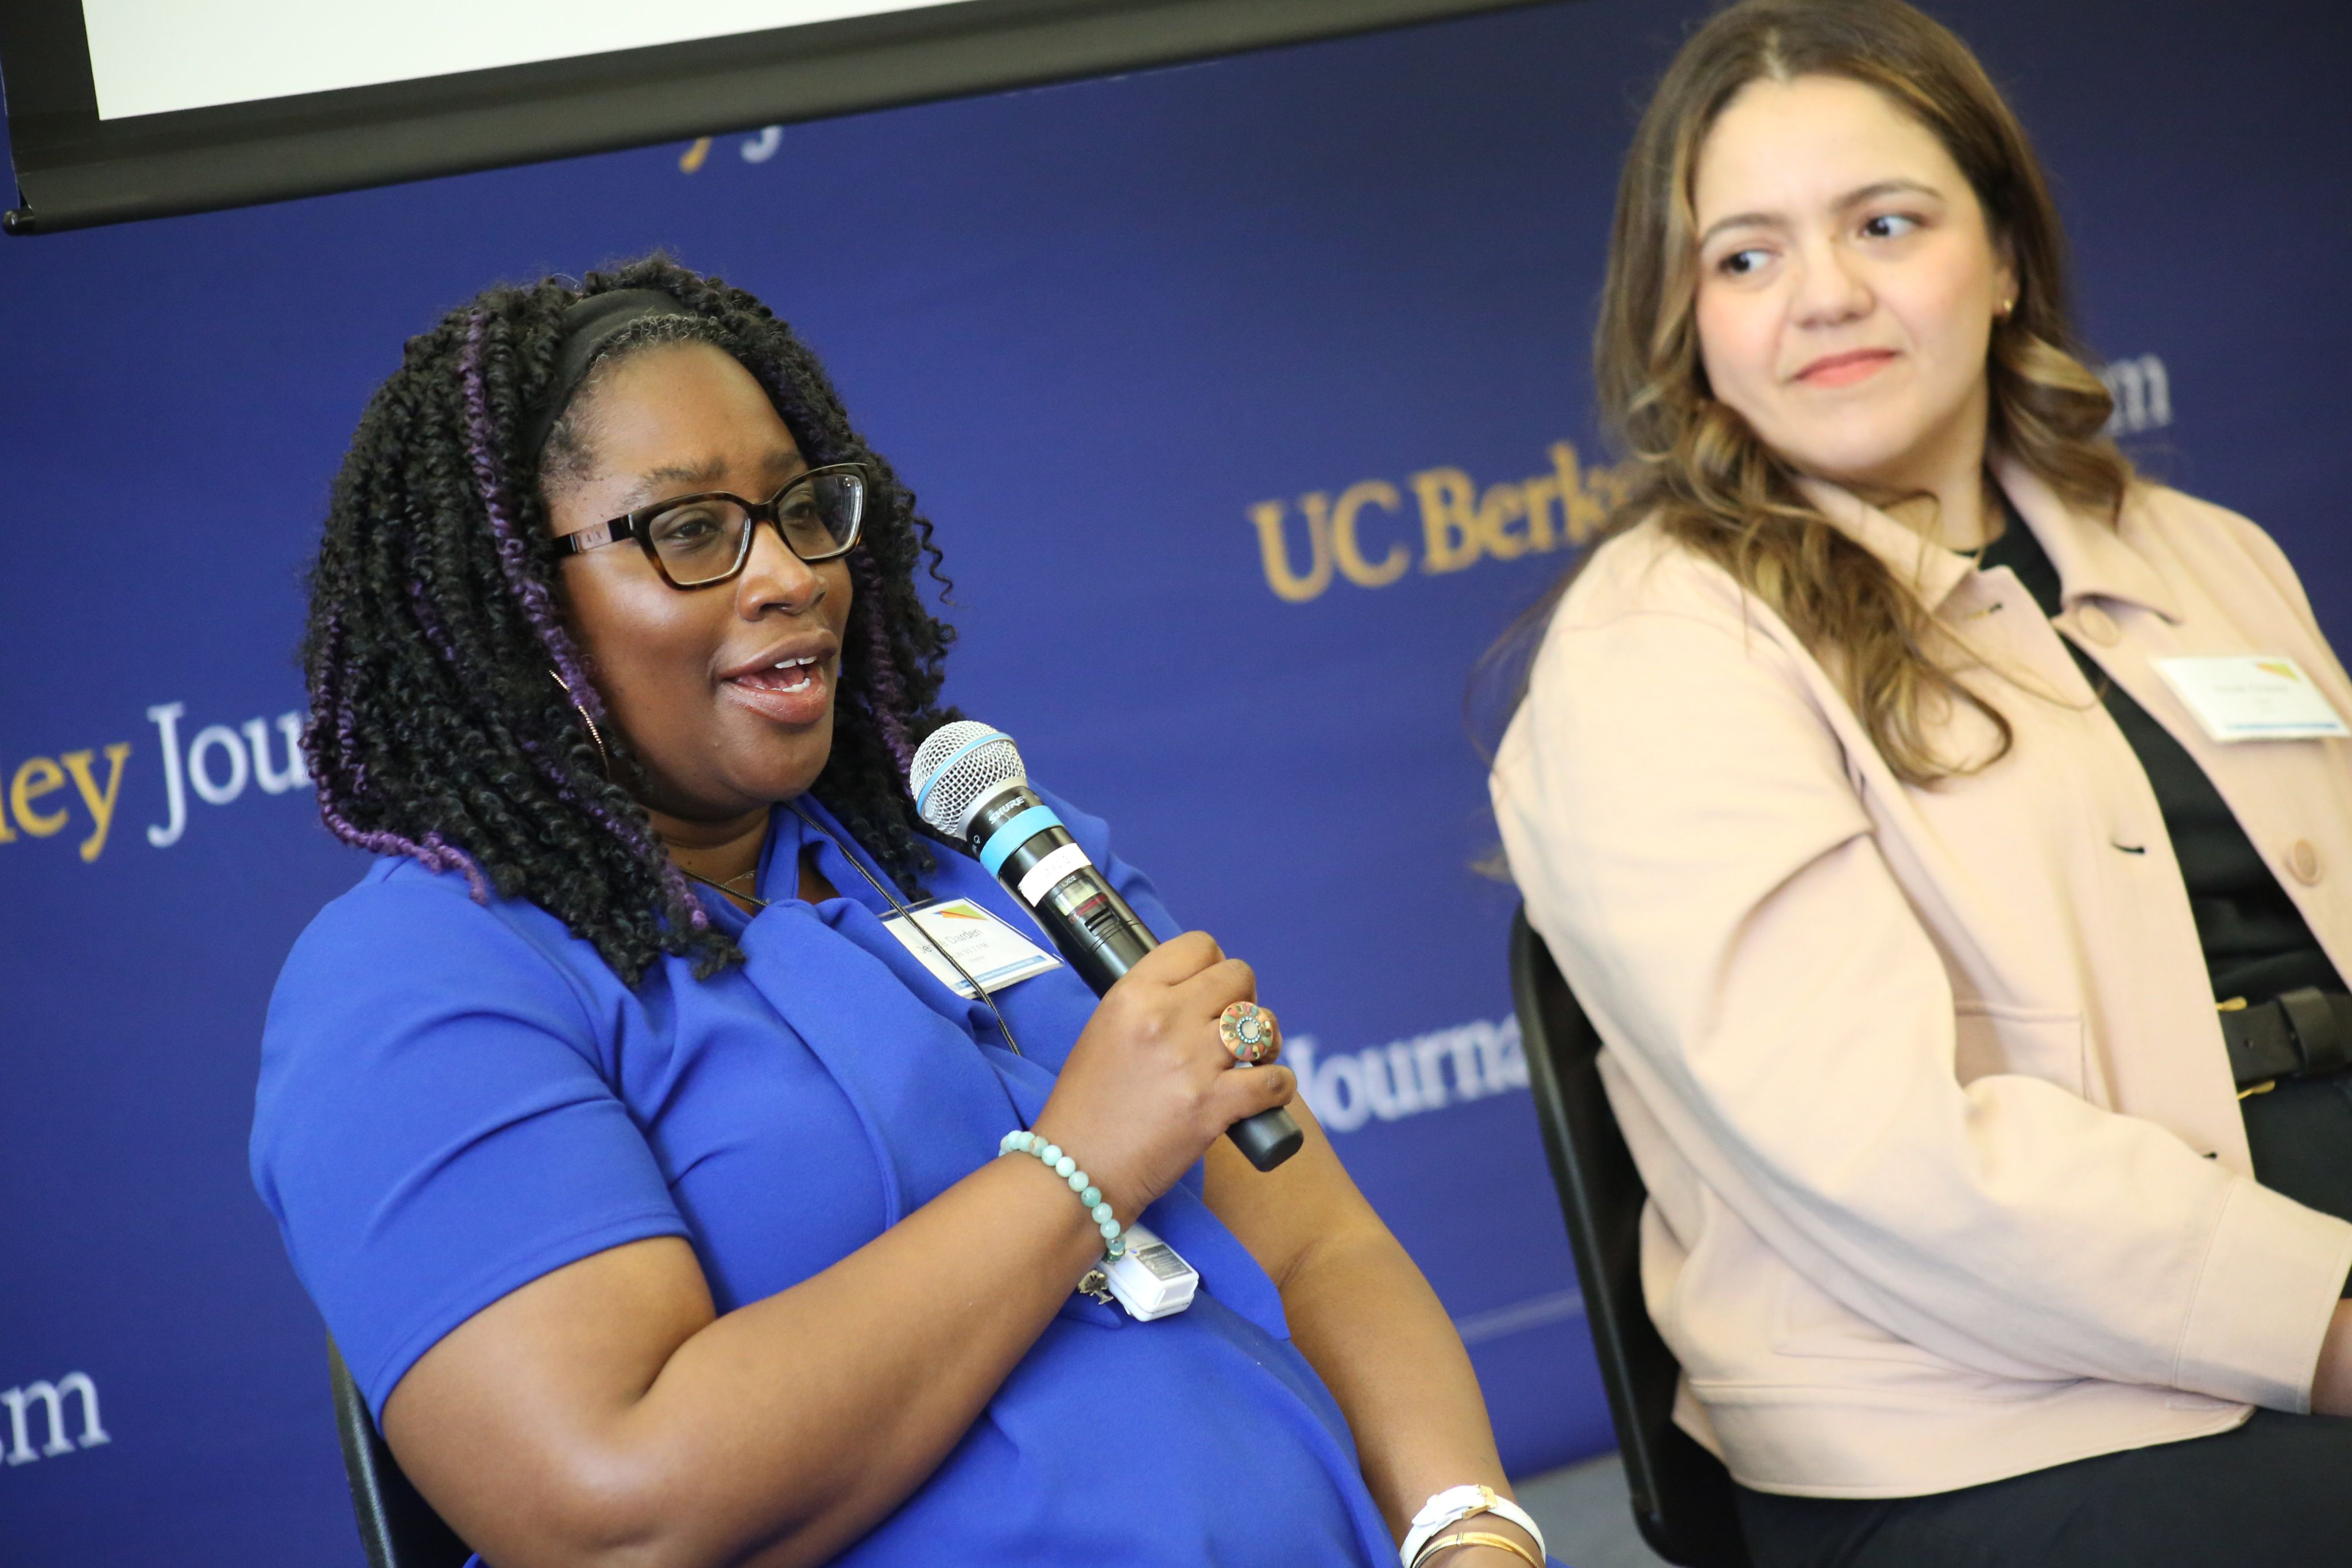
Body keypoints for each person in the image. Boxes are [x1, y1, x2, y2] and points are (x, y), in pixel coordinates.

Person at [252, 257, 1550, 1568]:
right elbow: (614, 1510)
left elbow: (1321, 1239)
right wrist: (1080, 1166)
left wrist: (1465, 1528)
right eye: (690, 531)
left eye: (801, 510)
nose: (788, 576)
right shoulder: (419, 980)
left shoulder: (975, 837)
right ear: (513, 609)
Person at [1487, 2, 2352, 1564]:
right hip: (2001, 1408)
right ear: (1685, 315)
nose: (1824, 296)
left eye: (1886, 223)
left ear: (2006, 257)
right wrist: (2331, 1328)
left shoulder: (2206, 554)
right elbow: (1887, 1159)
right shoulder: (1656, 653)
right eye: (1746, 256)